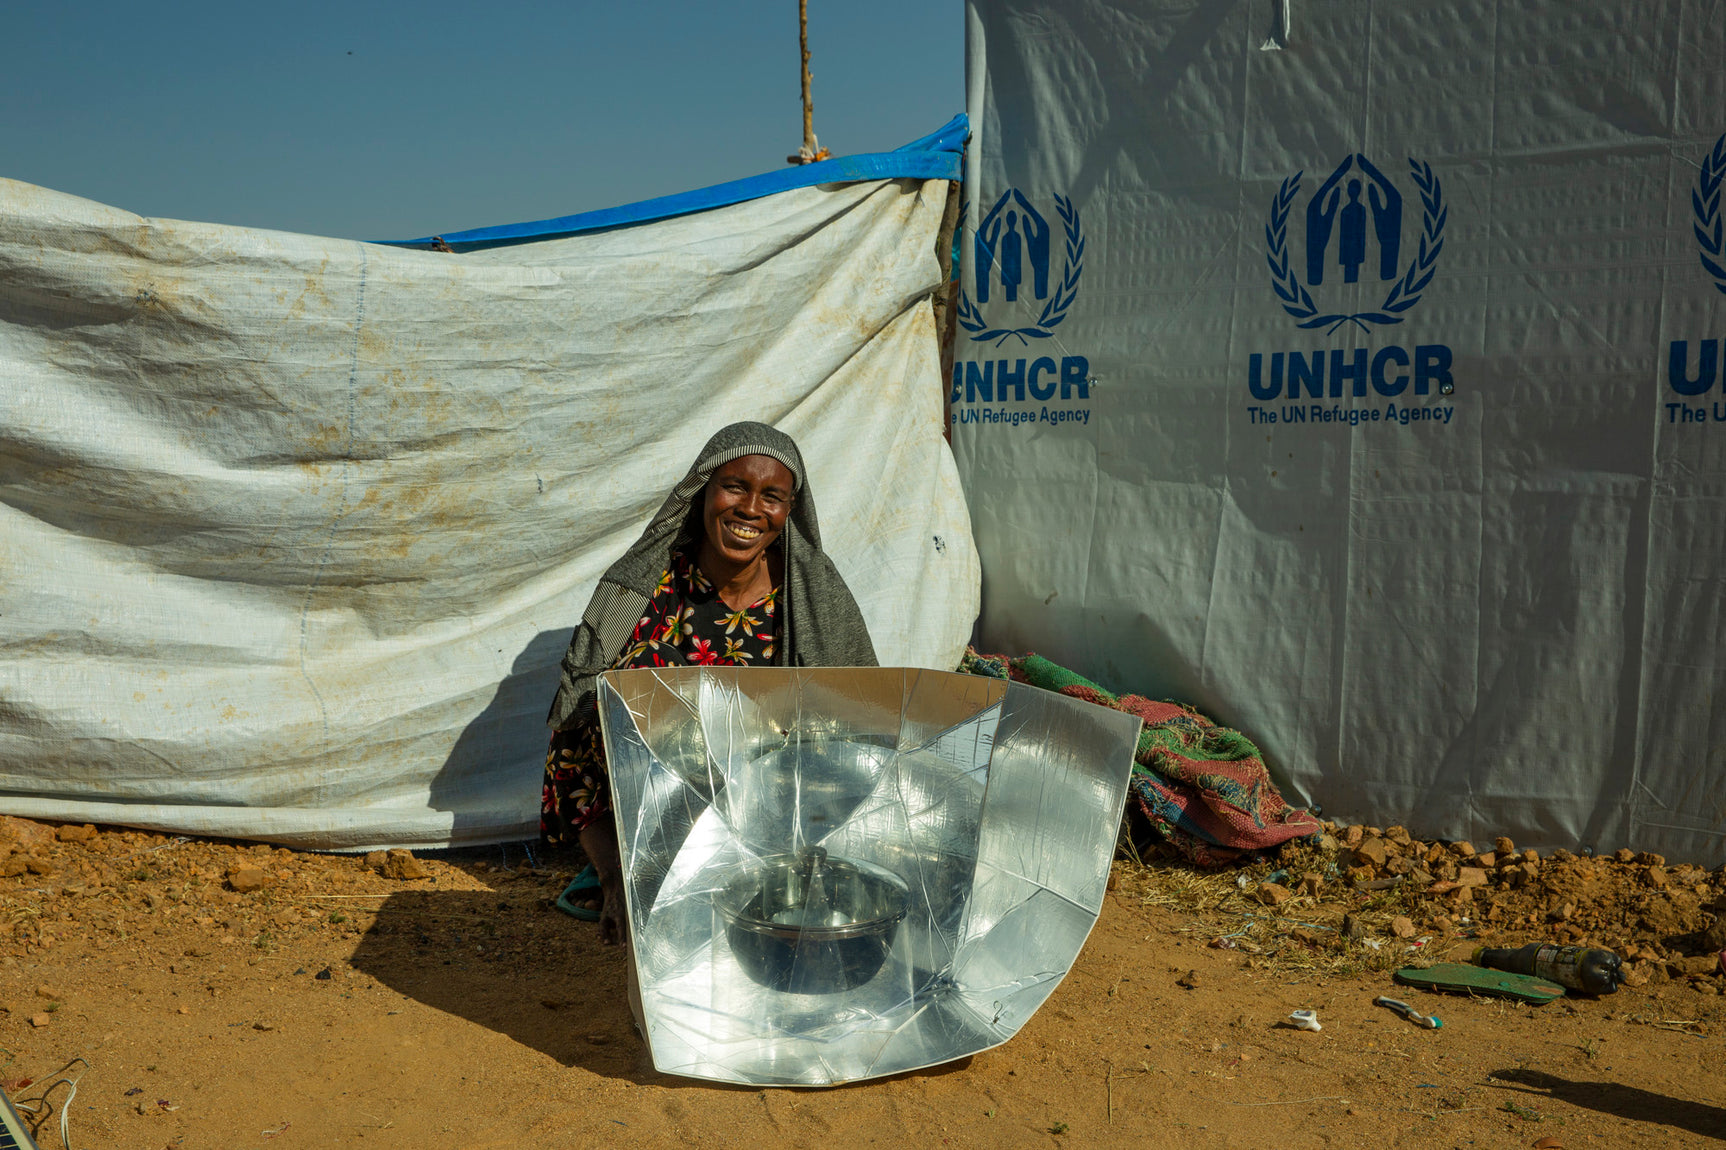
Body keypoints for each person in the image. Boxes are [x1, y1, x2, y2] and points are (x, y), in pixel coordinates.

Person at [541, 421, 878, 947]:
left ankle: (751, 876)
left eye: (772, 496)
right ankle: (622, 875)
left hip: (766, 790)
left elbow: (858, 715)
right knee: (603, 700)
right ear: (704, 491)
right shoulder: (648, 585)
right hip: (659, 784)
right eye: (735, 487)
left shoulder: (813, 598)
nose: (750, 509)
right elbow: (578, 706)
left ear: (790, 511)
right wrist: (617, 874)